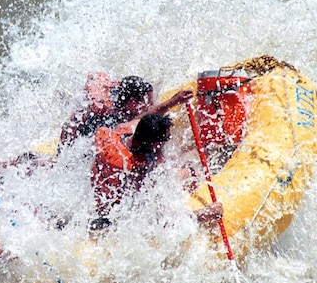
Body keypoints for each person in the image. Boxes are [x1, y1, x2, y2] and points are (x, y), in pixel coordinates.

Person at [92, 114, 222, 227]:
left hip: (97, 194)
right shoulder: (135, 169)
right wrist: (205, 214)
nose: (169, 141)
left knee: (188, 169)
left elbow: (143, 118)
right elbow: (159, 217)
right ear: (154, 144)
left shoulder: (118, 133)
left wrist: (174, 101)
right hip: (113, 217)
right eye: (166, 139)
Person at [59, 74, 193, 152]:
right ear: (131, 102)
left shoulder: (122, 101)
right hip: (84, 145)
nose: (148, 105)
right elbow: (142, 117)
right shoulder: (107, 112)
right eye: (145, 100)